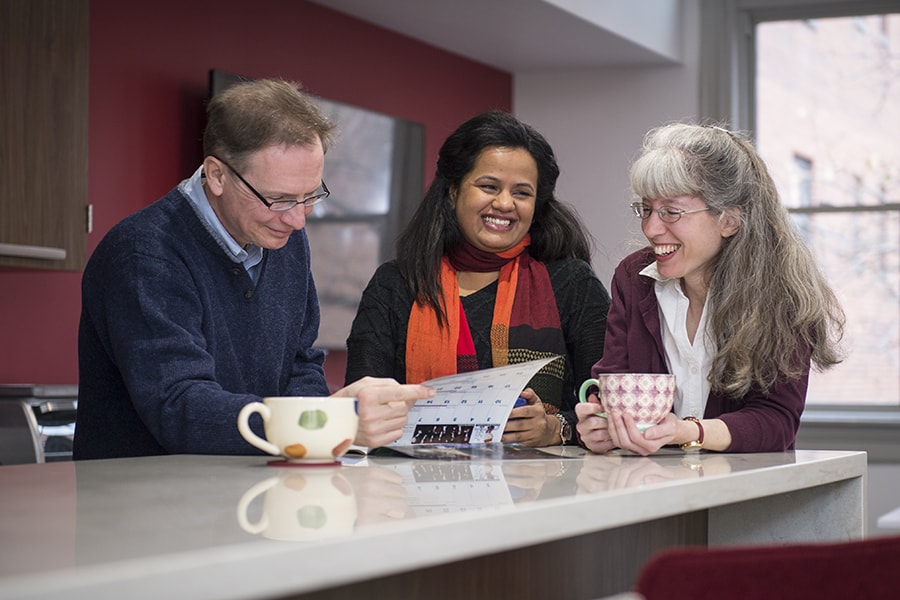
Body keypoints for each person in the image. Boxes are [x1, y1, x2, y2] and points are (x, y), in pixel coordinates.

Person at [74, 79, 433, 460]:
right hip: (137, 504)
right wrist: (327, 421)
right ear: (216, 175)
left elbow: (300, 363)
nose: (297, 220)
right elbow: (179, 407)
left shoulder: (283, 238)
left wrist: (314, 434)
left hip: (243, 492)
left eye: (310, 196)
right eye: (277, 199)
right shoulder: (145, 253)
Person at [575, 122, 845, 456]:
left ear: (729, 220)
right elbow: (611, 383)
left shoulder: (781, 294)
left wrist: (686, 431)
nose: (651, 227)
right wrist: (598, 425)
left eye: (671, 212)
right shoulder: (633, 278)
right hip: (647, 485)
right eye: (646, 209)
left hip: (742, 494)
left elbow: (776, 421)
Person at [345, 111, 611, 447]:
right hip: (408, 489)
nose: (504, 203)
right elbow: (361, 405)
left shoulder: (572, 283)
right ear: (453, 191)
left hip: (541, 490)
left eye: (522, 193)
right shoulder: (396, 283)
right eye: (488, 187)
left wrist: (555, 427)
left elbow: (608, 406)